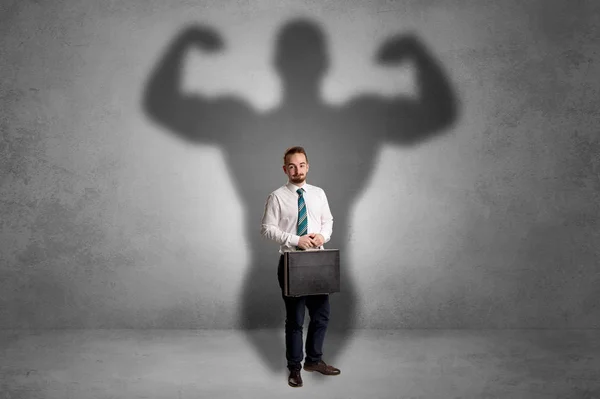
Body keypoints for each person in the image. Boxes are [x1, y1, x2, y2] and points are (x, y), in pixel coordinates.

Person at [260, 146, 341, 387]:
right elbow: (267, 228)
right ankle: (294, 368)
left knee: (321, 315)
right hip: (291, 262)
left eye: (301, 165)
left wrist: (322, 237)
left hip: (318, 262)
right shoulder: (277, 196)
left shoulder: (318, 193)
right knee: (295, 320)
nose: (297, 170)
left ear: (307, 166)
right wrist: (296, 240)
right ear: (285, 169)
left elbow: (328, 221)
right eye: (292, 166)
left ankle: (314, 360)